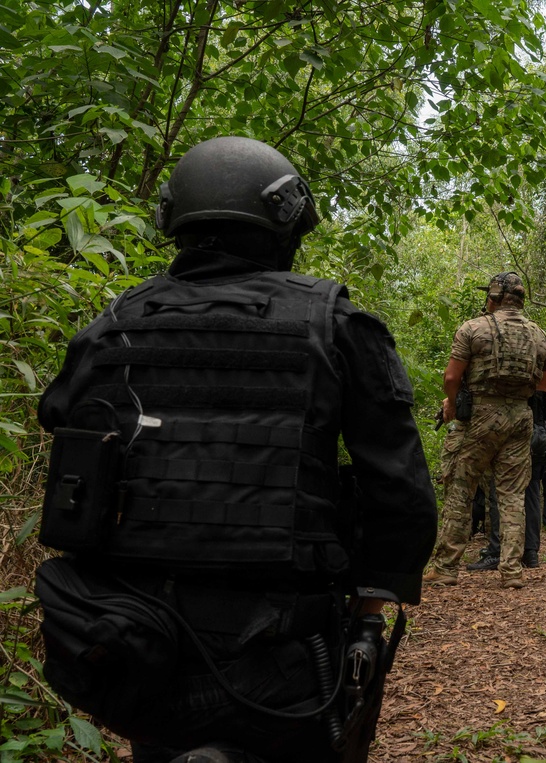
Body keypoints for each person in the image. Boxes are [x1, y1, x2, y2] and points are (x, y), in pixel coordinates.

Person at [32, 136, 438, 763]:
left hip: (135, 640)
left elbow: (59, 418)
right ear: (287, 223)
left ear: (177, 222)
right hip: (282, 647)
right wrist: (371, 607)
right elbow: (400, 488)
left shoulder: (114, 321)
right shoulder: (336, 324)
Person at [423, 272, 546, 589]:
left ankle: (446, 567)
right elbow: (544, 385)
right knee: (512, 495)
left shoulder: (473, 328)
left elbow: (452, 378)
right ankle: (511, 571)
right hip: (520, 418)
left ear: (494, 296)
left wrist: (453, 404)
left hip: (478, 417)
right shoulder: (540, 336)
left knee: (460, 488)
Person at [467, 390, 546, 571]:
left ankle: (498, 551)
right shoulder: (537, 365)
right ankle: (530, 552)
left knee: (501, 489)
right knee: (532, 491)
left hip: (507, 425)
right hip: (536, 430)